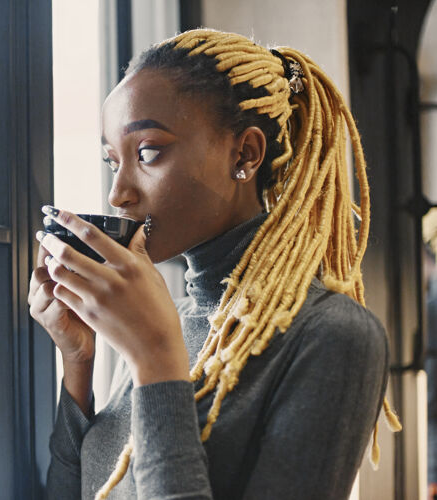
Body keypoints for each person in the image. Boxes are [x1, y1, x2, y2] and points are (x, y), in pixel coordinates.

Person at [29, 28, 402, 499]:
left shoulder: (332, 334)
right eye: (111, 161)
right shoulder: (170, 316)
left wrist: (155, 359)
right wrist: (78, 361)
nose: (117, 192)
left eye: (147, 153)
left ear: (244, 154)